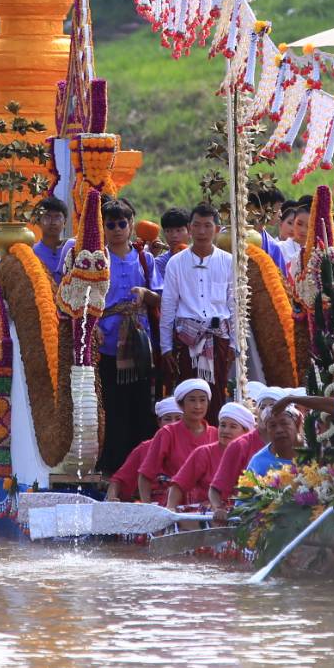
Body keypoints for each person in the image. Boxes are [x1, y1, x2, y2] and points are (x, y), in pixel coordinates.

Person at [88, 196, 161, 473]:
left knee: (141, 404)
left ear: (131, 225)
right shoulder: (96, 260)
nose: (117, 229)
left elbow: (159, 298)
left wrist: (144, 294)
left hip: (139, 344)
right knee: (113, 406)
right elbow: (84, 301)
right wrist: (93, 329)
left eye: (122, 223)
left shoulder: (144, 259)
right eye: (111, 224)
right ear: (103, 228)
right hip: (108, 343)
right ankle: (114, 466)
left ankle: (144, 464)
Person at [159, 203, 236, 409]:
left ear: (217, 230)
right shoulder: (176, 263)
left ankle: (215, 438)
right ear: (190, 228)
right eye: (197, 225)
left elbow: (234, 305)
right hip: (187, 340)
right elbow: (168, 307)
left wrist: (234, 344)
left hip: (219, 340)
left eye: (208, 226)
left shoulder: (229, 262)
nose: (202, 231)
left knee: (217, 396)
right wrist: (165, 347)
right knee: (188, 396)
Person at [208, 384, 286, 515]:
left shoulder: (292, 443)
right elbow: (215, 490)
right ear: (257, 412)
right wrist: (218, 509)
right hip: (248, 518)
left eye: (272, 406)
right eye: (262, 407)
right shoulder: (239, 445)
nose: (267, 411)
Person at [137, 378, 217, 503]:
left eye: (202, 400)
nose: (198, 406)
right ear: (180, 404)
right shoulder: (167, 433)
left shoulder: (215, 434)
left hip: (208, 507)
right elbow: (145, 475)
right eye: (192, 400)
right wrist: (148, 508)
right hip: (174, 506)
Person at [166, 401, 255, 507]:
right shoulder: (203, 453)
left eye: (233, 427)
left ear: (246, 432)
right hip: (206, 516)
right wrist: (170, 509)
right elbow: (178, 485)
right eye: (222, 425)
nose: (225, 431)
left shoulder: (254, 456)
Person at [105, 397, 183, 502]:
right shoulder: (144, 449)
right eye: (167, 419)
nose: (173, 424)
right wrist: (112, 499)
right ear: (159, 423)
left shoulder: (197, 448)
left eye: (178, 419)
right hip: (153, 509)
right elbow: (118, 481)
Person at [244, 398, 304, 481]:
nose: (279, 430)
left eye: (284, 423)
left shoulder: (315, 450)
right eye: (272, 426)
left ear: (297, 423)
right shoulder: (258, 462)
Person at [152, 207, 191, 286]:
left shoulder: (202, 257)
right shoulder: (159, 263)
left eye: (179, 230)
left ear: (190, 231)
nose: (174, 235)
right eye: (168, 231)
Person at [32, 196, 68, 282]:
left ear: (65, 222)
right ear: (38, 221)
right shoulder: (32, 253)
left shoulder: (71, 251)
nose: (53, 222)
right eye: (47, 217)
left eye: (57, 217)